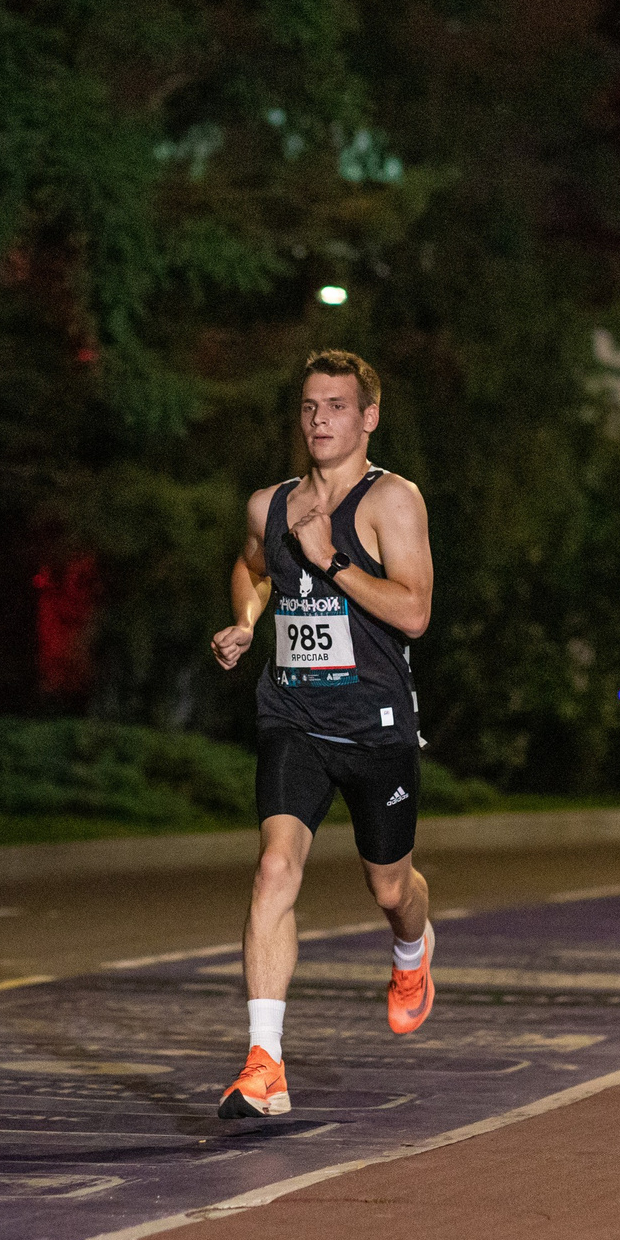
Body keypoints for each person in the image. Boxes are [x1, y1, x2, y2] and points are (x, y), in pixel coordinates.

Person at [208, 350, 437, 1117]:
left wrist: (330, 558)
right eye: (309, 406)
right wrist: (246, 622)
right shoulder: (267, 504)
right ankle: (264, 1062)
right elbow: (252, 568)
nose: (320, 421)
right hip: (294, 715)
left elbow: (414, 613)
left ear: (368, 417)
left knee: (390, 886)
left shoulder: (392, 502)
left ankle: (412, 952)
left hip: (374, 726)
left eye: (337, 406)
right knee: (274, 867)